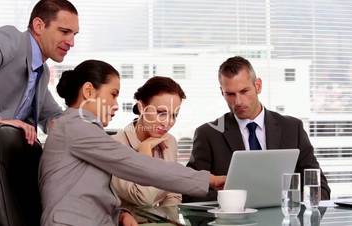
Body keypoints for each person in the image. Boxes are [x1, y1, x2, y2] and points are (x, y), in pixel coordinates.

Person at [39, 59, 226, 226]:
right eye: (113, 94)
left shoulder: (81, 129)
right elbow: (139, 166)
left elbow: (92, 194)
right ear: (88, 91)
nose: (116, 105)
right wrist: (211, 179)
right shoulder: (76, 127)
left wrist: (121, 214)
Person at [0, 0, 79, 225]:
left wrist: (87, 120)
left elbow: (52, 117)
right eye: (65, 31)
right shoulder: (11, 39)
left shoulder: (41, 73)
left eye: (74, 34)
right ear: (39, 26)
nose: (71, 42)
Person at [184, 56, 330, 202]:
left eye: (244, 91)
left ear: (258, 86)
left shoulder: (292, 128)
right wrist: (235, 199)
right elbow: (190, 194)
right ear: (222, 92)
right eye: (230, 94)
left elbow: (320, 188)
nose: (238, 102)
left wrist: (291, 201)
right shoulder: (208, 134)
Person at [111, 76, 184, 208]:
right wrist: (145, 152)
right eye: (161, 113)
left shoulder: (169, 141)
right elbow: (143, 198)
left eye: (174, 115)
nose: (168, 122)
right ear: (141, 108)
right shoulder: (115, 145)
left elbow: (173, 193)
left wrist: (167, 221)